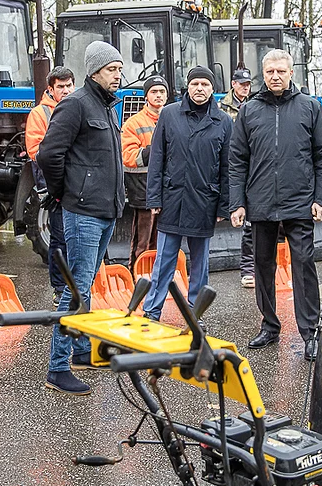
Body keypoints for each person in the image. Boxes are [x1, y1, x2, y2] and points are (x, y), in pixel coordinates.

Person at [230, 49, 322, 361]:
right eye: (271, 71)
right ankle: (269, 325)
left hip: (299, 202)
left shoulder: (309, 107)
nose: (276, 76)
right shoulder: (249, 111)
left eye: (281, 71)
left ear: (291, 73)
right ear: (263, 73)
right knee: (262, 266)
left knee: (303, 266)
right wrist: (237, 203)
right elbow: (237, 160)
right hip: (260, 203)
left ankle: (309, 331)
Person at [36, 41, 125, 395]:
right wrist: (64, 193)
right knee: (75, 289)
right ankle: (57, 368)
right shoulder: (75, 105)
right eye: (111, 70)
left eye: (119, 69)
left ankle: (81, 350)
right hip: (83, 211)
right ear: (94, 71)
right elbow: (48, 155)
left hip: (106, 210)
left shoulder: (106, 107)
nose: (117, 75)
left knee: (85, 285)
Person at [142, 66, 231, 320]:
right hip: (172, 199)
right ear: (187, 87)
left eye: (205, 85)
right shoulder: (169, 114)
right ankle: (152, 310)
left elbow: (227, 167)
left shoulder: (223, 122)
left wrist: (223, 207)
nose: (199, 89)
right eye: (195, 84)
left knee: (200, 265)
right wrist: (154, 198)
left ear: (213, 89)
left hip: (205, 202)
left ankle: (195, 314)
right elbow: (157, 158)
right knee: (164, 261)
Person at [25, 66, 76, 305]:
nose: (65, 91)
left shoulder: (79, 107)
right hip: (54, 183)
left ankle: (78, 286)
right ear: (51, 89)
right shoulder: (40, 114)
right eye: (60, 87)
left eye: (68, 86)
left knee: (78, 237)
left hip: (78, 183)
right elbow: (36, 151)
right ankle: (59, 288)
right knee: (59, 237)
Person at [122, 75, 168, 270]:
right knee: (143, 241)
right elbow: (128, 157)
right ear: (146, 96)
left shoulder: (172, 119)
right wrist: (156, 149)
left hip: (167, 189)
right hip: (143, 189)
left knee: (162, 240)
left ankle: (157, 276)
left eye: (162, 92)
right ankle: (138, 275)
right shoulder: (134, 123)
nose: (158, 96)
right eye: (154, 92)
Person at [220, 67, 256, 289]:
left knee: (255, 224)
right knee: (248, 223)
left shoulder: (254, 106)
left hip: (253, 167)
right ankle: (247, 269)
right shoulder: (221, 108)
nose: (245, 87)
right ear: (233, 84)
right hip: (232, 165)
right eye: (242, 84)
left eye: (248, 84)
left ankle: (259, 268)